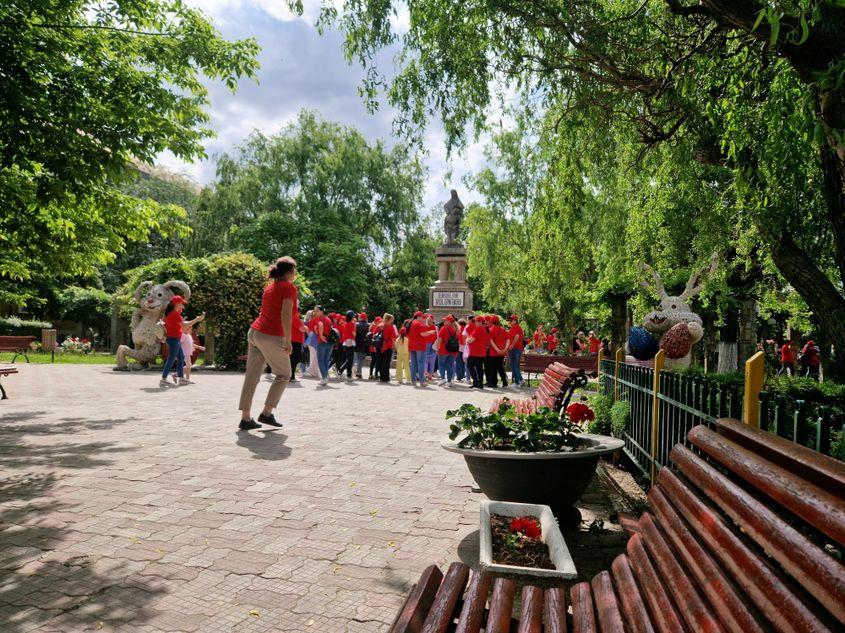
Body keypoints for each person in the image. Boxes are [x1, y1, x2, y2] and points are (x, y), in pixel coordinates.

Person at [237, 257, 296, 430]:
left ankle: (246, 418)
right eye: (295, 271)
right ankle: (267, 413)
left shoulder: (270, 287)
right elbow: (286, 315)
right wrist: (288, 340)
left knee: (251, 377)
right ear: (290, 272)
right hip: (271, 335)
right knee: (284, 375)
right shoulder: (289, 287)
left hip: (255, 332)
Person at [158, 295, 190, 387]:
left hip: (175, 339)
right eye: (181, 303)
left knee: (181, 357)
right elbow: (184, 325)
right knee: (171, 359)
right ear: (176, 304)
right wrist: (197, 319)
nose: (182, 306)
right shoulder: (174, 314)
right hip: (173, 339)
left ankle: (181, 378)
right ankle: (163, 379)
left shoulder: (171, 313)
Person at [408, 311, 436, 386]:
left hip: (412, 345)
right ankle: (422, 381)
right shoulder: (419, 324)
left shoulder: (411, 323)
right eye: (422, 317)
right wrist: (431, 332)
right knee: (421, 364)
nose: (423, 318)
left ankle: (413, 380)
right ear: (418, 317)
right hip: (419, 346)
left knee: (413, 364)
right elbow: (423, 334)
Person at [312, 305, 335, 386]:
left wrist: (320, 335)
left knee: (321, 360)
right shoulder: (328, 319)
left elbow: (320, 325)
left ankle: (325, 377)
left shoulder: (320, 319)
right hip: (330, 343)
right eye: (314, 311)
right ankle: (325, 377)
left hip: (322, 342)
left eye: (317, 311)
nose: (315, 312)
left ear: (322, 311)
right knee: (326, 360)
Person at [179, 316, 206, 383]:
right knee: (189, 365)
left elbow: (192, 344)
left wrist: (199, 347)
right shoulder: (183, 335)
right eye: (187, 327)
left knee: (189, 365)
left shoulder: (188, 335)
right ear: (182, 328)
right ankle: (182, 376)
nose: (189, 328)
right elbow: (178, 343)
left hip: (187, 353)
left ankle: (181, 376)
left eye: (190, 327)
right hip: (184, 353)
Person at [466, 315, 490, 389]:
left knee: (470, 366)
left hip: (475, 352)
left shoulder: (478, 329)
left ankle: (476, 382)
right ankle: (480, 383)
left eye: (476, 321)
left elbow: (471, 340)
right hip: (482, 352)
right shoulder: (486, 329)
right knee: (479, 368)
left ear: (480, 322)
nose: (475, 322)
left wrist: (467, 340)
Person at [436, 315, 459, 387]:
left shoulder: (443, 328)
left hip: (443, 350)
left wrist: (437, 348)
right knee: (450, 366)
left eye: (445, 320)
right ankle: (449, 381)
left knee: (441, 364)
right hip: (452, 351)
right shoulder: (454, 329)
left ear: (449, 321)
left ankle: (443, 378)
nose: (444, 321)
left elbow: (439, 339)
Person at [486, 315, 509, 388]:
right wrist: (505, 348)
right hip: (502, 351)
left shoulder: (490, 330)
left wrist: (497, 349)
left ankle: (494, 383)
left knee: (493, 368)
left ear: (491, 321)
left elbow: (491, 341)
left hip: (493, 352)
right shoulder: (503, 329)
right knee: (500, 367)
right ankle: (504, 381)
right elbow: (508, 339)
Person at [377, 313, 398, 382]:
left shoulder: (380, 325)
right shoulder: (390, 327)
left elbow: (374, 334)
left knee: (380, 362)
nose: (392, 321)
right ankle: (385, 378)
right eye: (391, 319)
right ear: (389, 319)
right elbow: (393, 338)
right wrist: (394, 346)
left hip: (379, 346)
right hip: (387, 346)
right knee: (386, 363)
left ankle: (381, 377)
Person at [339, 310, 357, 382]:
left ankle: (345, 373)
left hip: (346, 342)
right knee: (350, 360)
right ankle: (344, 372)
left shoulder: (346, 323)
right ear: (352, 316)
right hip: (351, 342)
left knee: (349, 359)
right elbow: (354, 334)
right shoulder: (352, 324)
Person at [507, 314, 524, 387]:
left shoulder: (515, 328)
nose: (509, 322)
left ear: (515, 321)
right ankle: (521, 380)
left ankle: (517, 382)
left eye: (511, 320)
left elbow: (516, 336)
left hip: (515, 349)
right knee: (516, 366)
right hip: (518, 349)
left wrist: (511, 345)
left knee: (513, 366)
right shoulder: (518, 328)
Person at [354, 312, 369, 378]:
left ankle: (358, 372)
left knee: (357, 358)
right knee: (361, 359)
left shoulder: (356, 324)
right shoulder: (368, 325)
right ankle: (358, 372)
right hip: (365, 344)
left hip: (357, 343)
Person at [424, 314, 438, 379]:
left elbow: (438, 337)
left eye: (430, 320)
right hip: (429, 345)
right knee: (429, 361)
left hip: (432, 345)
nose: (429, 321)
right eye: (428, 320)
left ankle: (428, 375)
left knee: (428, 361)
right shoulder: (435, 327)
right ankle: (428, 375)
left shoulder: (425, 327)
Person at [455, 318, 468, 382]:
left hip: (459, 348)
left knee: (458, 363)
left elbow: (458, 338)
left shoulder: (459, 329)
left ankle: (459, 376)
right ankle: (463, 376)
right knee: (464, 363)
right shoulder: (466, 328)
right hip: (465, 349)